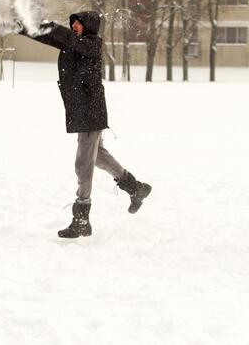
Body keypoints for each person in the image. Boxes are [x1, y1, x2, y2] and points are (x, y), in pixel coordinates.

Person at [18, 12, 152, 238]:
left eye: (79, 23)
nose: (75, 26)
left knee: (83, 163)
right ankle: (135, 188)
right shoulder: (75, 43)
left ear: (88, 26)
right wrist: (24, 27)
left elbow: (64, 36)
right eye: (73, 23)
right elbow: (49, 36)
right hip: (83, 109)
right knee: (97, 156)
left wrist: (52, 26)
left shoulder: (91, 45)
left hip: (91, 110)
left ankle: (81, 218)